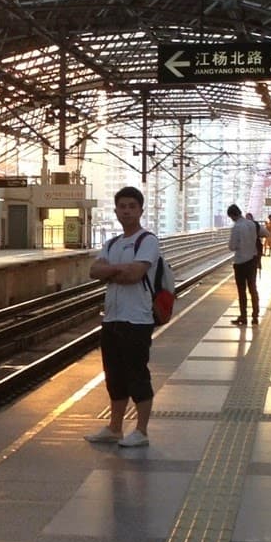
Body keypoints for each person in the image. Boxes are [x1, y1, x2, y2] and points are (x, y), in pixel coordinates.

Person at [87, 185, 162, 450]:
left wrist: (113, 270)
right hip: (112, 319)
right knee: (114, 376)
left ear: (140, 210)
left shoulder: (148, 241)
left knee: (137, 375)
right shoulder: (112, 243)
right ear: (117, 210)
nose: (127, 211)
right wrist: (120, 268)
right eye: (122, 206)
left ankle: (141, 430)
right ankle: (115, 428)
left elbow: (134, 275)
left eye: (132, 206)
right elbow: (94, 271)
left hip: (137, 320)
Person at [226, 203, 262, 326]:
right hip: (252, 261)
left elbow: (232, 246)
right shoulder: (252, 224)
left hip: (240, 262)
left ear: (232, 215)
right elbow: (261, 235)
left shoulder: (236, 227)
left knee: (242, 291)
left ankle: (243, 316)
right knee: (253, 288)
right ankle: (255, 316)